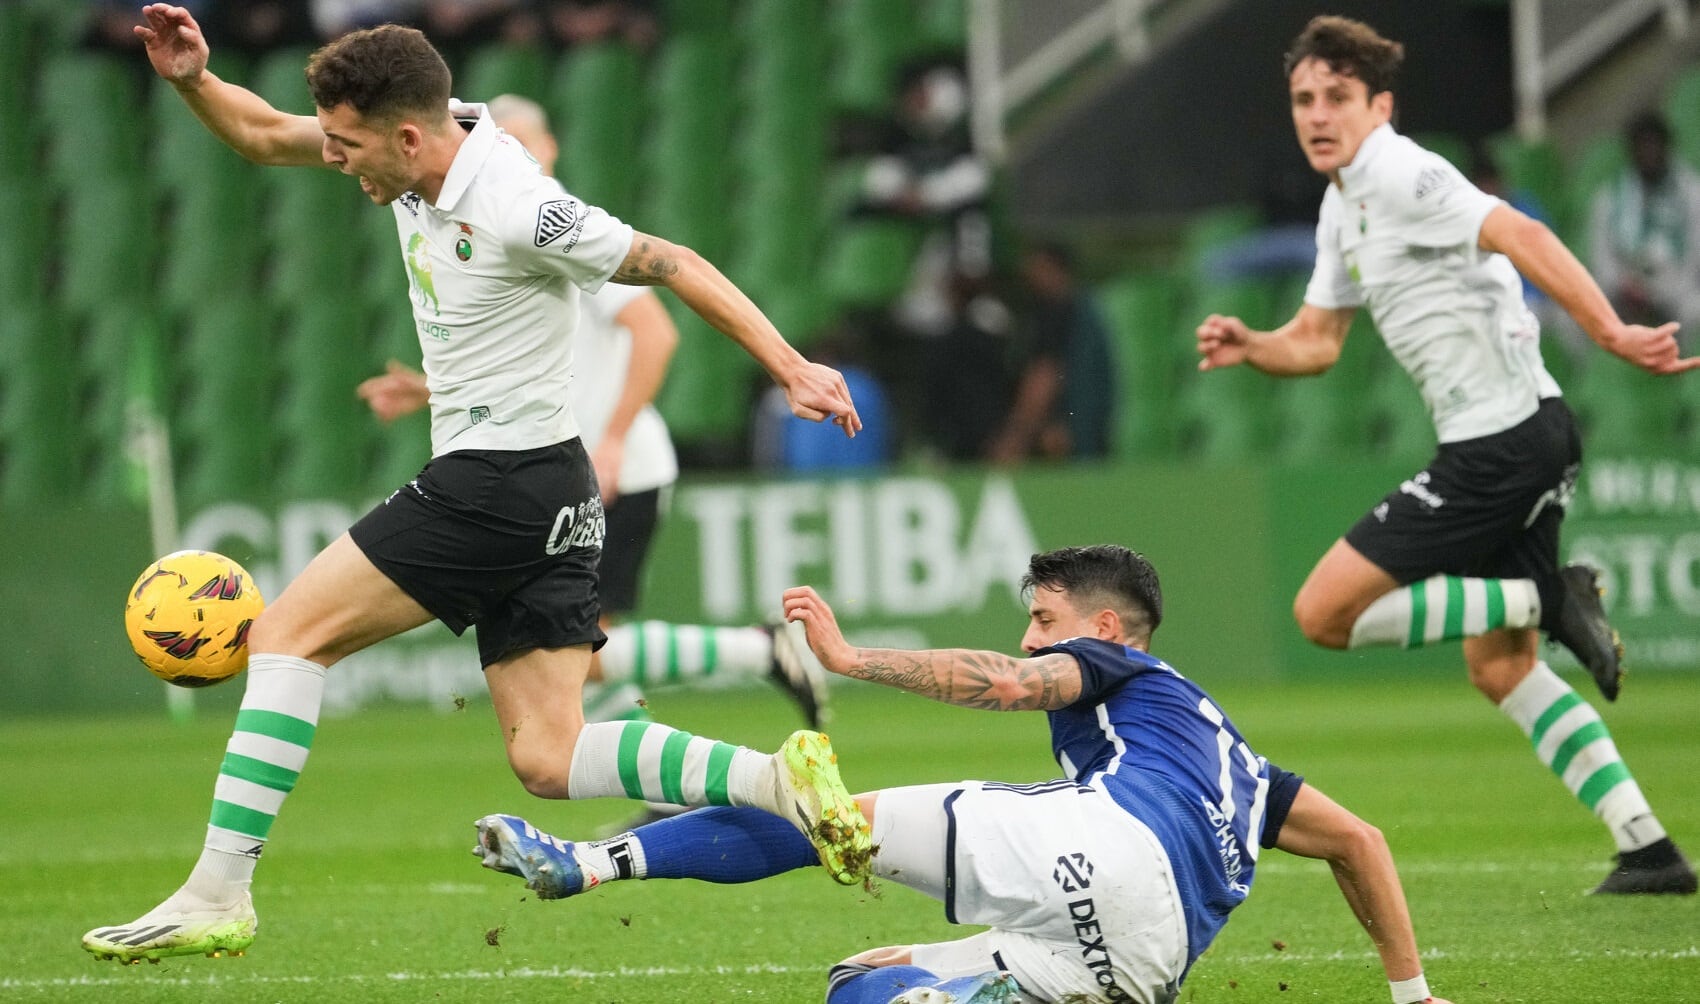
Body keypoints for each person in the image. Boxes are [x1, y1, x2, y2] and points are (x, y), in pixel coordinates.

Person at [83, 6, 873, 966]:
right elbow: (260, 135)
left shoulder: (517, 203)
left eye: (348, 147)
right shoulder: (424, 134)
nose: (335, 162)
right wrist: (193, 79)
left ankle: (218, 890)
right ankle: (774, 776)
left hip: (494, 483)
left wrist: (791, 367)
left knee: (288, 635)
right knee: (548, 752)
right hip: (553, 488)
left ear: (407, 136)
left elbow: (674, 264)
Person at [474, 546, 1454, 1004]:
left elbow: (1017, 682)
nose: (1027, 633)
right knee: (858, 989)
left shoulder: (1120, 666)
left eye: (1043, 613)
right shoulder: (1241, 764)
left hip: (1102, 846)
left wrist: (853, 660)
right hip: (1141, 966)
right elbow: (1358, 841)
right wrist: (1410, 994)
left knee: (831, 817)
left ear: (1103, 627)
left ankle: (596, 862)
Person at [1195, 15, 1698, 895]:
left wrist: (1611, 331)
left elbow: (1524, 235)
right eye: (1304, 99)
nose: (1317, 115)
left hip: (1500, 442)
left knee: (1323, 614)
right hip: (1524, 437)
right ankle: (1648, 848)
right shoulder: (1343, 201)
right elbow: (1315, 342)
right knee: (1499, 664)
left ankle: (1549, 595)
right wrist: (1251, 344)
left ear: (1378, 105)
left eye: (1337, 98)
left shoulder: (1401, 170)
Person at [357, 94, 830, 739]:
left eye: (522, 141)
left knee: (581, 650)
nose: (506, 153)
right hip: (561, 465)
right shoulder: (490, 228)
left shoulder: (555, 225)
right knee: (578, 664)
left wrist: (611, 440)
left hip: (613, 468)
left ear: (546, 149)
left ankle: (761, 651)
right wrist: (426, 390)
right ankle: (665, 796)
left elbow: (655, 333)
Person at [988, 240, 1118, 463]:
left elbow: (1044, 376)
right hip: (1090, 430)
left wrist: (1016, 437)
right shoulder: (1089, 309)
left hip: (1066, 435)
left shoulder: (1057, 313)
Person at [1589, 110, 1700, 343]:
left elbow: (1694, 253)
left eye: (1654, 145)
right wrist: (1625, 286)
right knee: (1574, 317)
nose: (1649, 153)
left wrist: (1662, 292)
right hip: (1626, 289)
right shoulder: (1611, 197)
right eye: (1642, 146)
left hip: (1676, 286)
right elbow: (1602, 256)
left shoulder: (1690, 191)